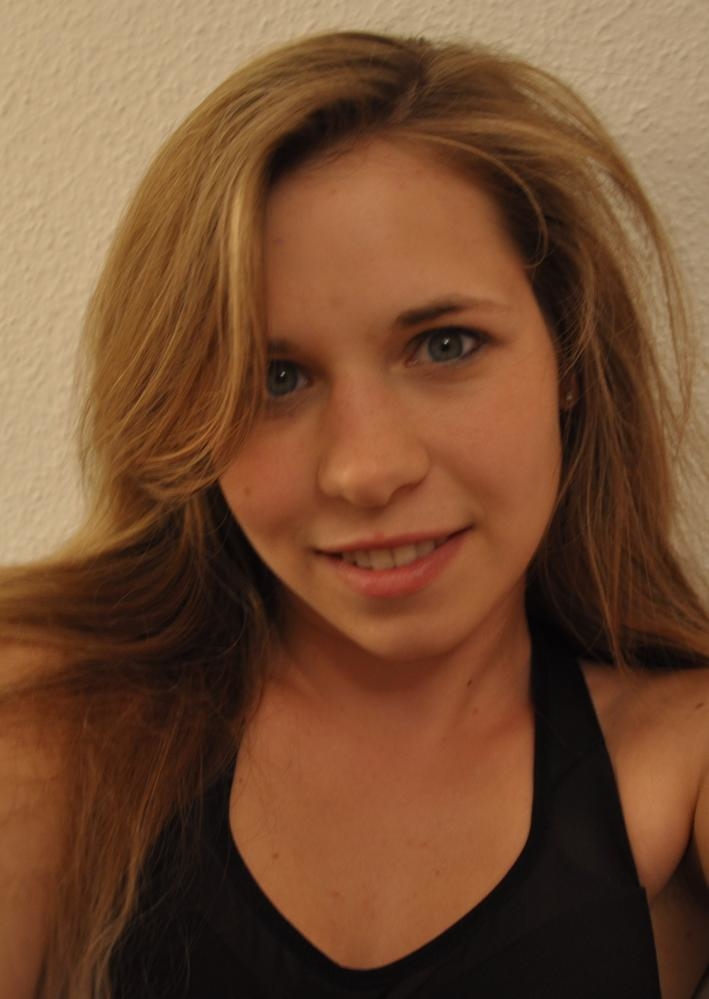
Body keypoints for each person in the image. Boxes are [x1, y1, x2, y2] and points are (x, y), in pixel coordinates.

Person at [0, 29, 707, 999]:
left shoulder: (682, 756)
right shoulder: (54, 725)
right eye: (274, 378)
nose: (365, 470)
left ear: (569, 361)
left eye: (446, 344)